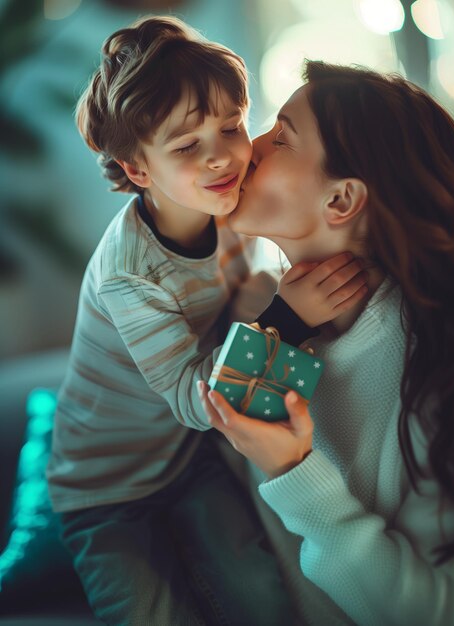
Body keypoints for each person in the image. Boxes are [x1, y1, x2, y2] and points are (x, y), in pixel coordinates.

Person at [46, 17, 368, 626]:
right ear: (139, 171)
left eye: (231, 127)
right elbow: (197, 402)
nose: (223, 156)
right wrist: (288, 320)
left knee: (261, 595)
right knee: (147, 613)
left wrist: (287, 304)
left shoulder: (231, 209)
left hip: (192, 461)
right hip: (105, 491)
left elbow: (247, 299)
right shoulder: (130, 276)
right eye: (187, 146)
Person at [199, 61, 454, 626]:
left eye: (280, 138)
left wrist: (296, 471)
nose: (248, 150)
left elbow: (448, 614)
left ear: (341, 201)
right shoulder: (258, 309)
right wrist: (283, 322)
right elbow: (214, 406)